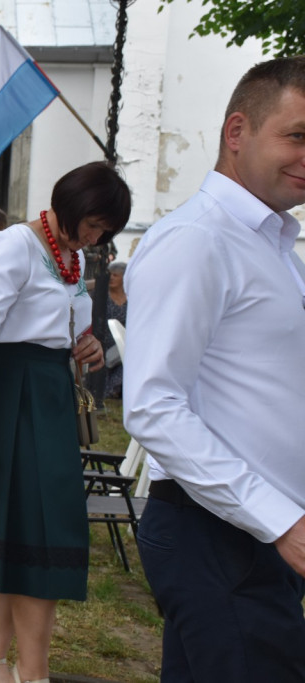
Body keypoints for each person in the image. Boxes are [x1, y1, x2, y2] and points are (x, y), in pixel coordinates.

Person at [124, 56, 305, 682]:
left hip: (254, 536)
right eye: (298, 135)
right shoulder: (198, 238)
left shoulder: (273, 242)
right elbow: (151, 405)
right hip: (223, 536)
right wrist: (281, 520)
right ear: (237, 133)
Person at [0, 161, 130, 683]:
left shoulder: (71, 257)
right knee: (41, 534)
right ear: (67, 205)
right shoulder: (15, 245)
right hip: (9, 395)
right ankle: (32, 672)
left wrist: (84, 344)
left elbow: (64, 328)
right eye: (92, 223)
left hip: (49, 394)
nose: (95, 236)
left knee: (29, 531)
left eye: (103, 230)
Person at [98, 260, 126, 399]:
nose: (112, 278)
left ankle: (115, 389)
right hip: (103, 338)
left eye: (116, 275)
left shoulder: (130, 297)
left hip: (122, 340)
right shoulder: (101, 295)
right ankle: (105, 391)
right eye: (110, 275)